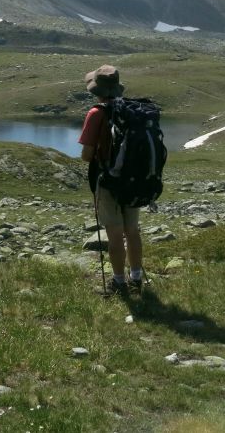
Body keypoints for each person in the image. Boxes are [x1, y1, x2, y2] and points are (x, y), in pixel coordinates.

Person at [78, 64, 144, 294]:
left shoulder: (96, 113)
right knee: (132, 230)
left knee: (115, 233)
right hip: (134, 180)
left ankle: (118, 282)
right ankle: (137, 277)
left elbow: (87, 155)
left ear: (96, 90)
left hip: (108, 181)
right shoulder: (132, 111)